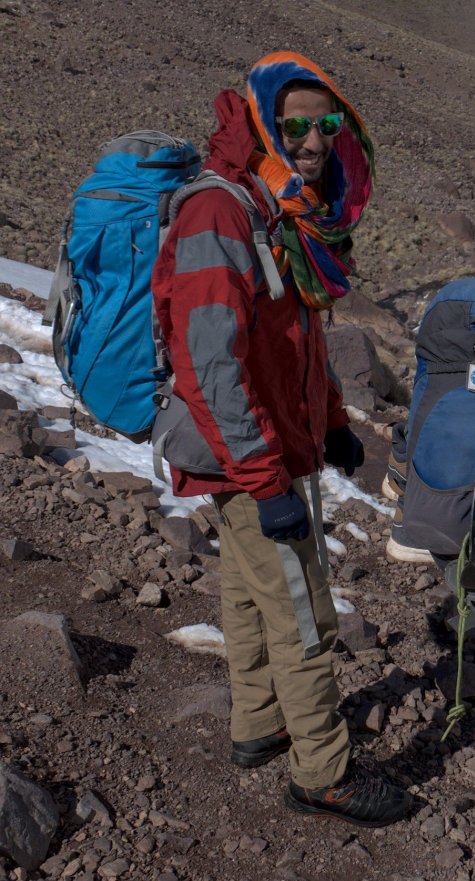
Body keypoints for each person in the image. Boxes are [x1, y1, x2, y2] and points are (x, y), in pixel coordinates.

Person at [152, 52, 410, 827]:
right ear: (264, 121)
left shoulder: (276, 213)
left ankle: (258, 724)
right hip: (244, 449)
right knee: (302, 607)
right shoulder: (221, 213)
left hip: (264, 443)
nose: (313, 139)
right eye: (295, 122)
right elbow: (210, 360)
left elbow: (299, 337)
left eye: (325, 123)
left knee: (249, 586)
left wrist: (330, 420)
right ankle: (322, 772)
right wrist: (265, 477)